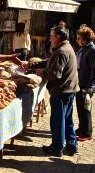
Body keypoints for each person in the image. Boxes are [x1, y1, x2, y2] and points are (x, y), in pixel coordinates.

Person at [24, 26, 79, 157]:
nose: (50, 38)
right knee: (67, 119)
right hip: (69, 90)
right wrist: (32, 65)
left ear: (58, 37)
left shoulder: (61, 51)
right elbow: (50, 62)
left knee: (58, 120)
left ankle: (56, 148)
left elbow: (55, 73)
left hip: (61, 91)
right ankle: (72, 145)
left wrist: (39, 72)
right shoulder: (66, 47)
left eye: (51, 35)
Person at [75, 25, 95, 142]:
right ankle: (81, 128)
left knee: (86, 110)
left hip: (86, 86)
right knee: (80, 109)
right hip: (80, 84)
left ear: (85, 39)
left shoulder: (94, 51)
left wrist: (89, 90)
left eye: (79, 38)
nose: (77, 40)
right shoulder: (83, 48)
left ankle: (87, 133)